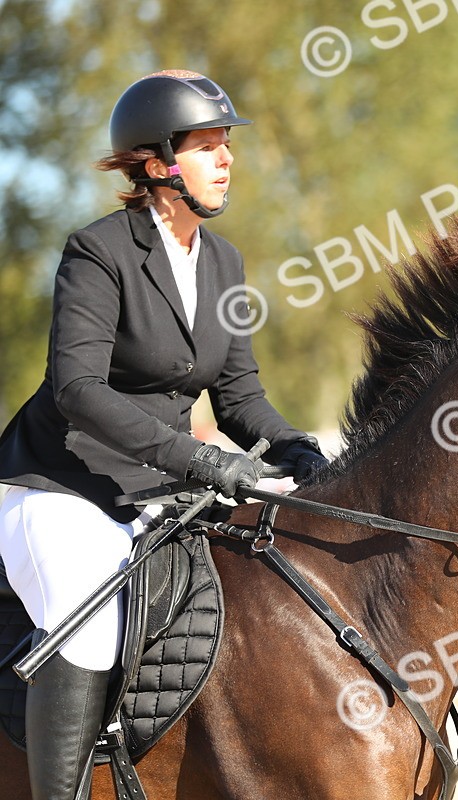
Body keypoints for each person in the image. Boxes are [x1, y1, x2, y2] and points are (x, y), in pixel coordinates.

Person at [0, 70, 328, 798]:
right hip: (60, 484)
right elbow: (77, 391)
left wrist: (296, 446)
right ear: (158, 164)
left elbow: (238, 394)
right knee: (85, 620)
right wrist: (205, 461)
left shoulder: (223, 262)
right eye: (209, 145)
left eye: (226, 145)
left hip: (157, 485)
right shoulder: (98, 252)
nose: (227, 159)